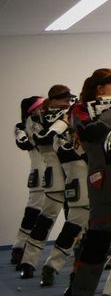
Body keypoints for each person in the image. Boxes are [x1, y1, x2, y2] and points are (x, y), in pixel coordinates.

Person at [38, 74, 106, 289]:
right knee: (76, 222)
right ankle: (54, 266)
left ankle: (77, 272)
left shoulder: (102, 112)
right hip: (79, 172)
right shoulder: (75, 114)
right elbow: (53, 142)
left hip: (102, 173)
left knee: (94, 227)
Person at [16, 86, 74, 283]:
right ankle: (28, 261)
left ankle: (53, 264)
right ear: (54, 100)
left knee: (75, 222)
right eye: (64, 100)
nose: (67, 103)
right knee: (44, 220)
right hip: (54, 174)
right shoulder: (36, 119)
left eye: (68, 100)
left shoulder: (71, 115)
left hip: (75, 173)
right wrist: (61, 123)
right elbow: (41, 141)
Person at [12, 96, 46, 267]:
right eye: (40, 106)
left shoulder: (51, 120)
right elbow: (23, 143)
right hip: (39, 173)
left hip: (61, 172)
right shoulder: (22, 126)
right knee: (33, 211)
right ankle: (19, 246)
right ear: (32, 110)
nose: (44, 109)